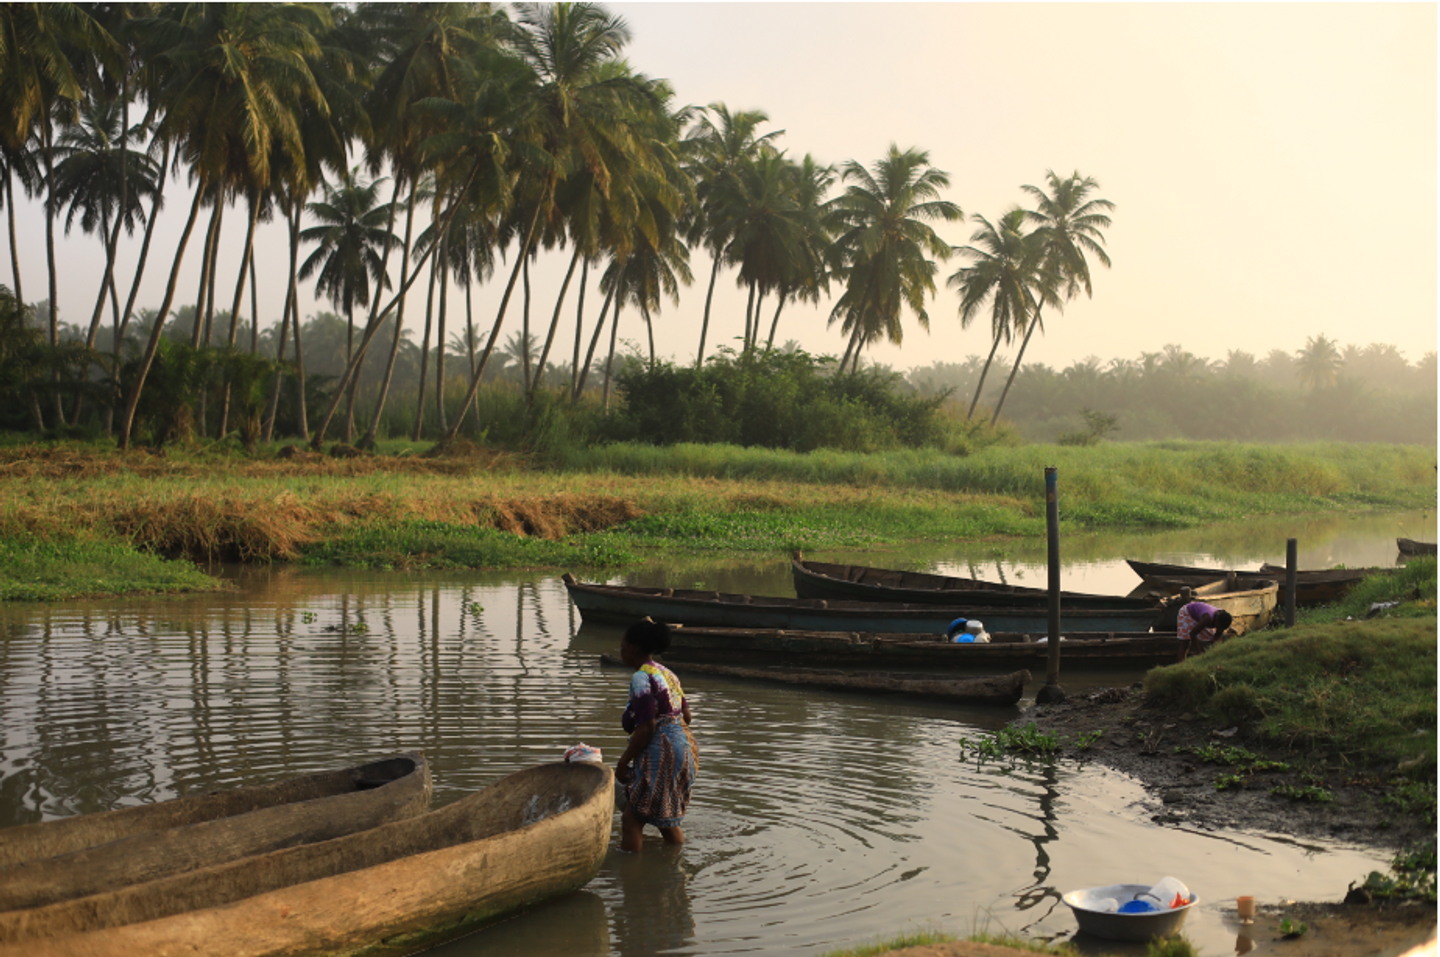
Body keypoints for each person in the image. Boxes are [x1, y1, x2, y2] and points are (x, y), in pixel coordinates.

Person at [615, 618, 696, 853]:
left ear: (634, 647)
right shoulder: (668, 674)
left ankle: (632, 878)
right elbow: (687, 717)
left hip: (662, 751)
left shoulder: (641, 677)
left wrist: (624, 762)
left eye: (623, 645)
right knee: (664, 817)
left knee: (632, 819)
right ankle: (674, 866)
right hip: (684, 747)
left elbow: (647, 726)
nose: (621, 650)